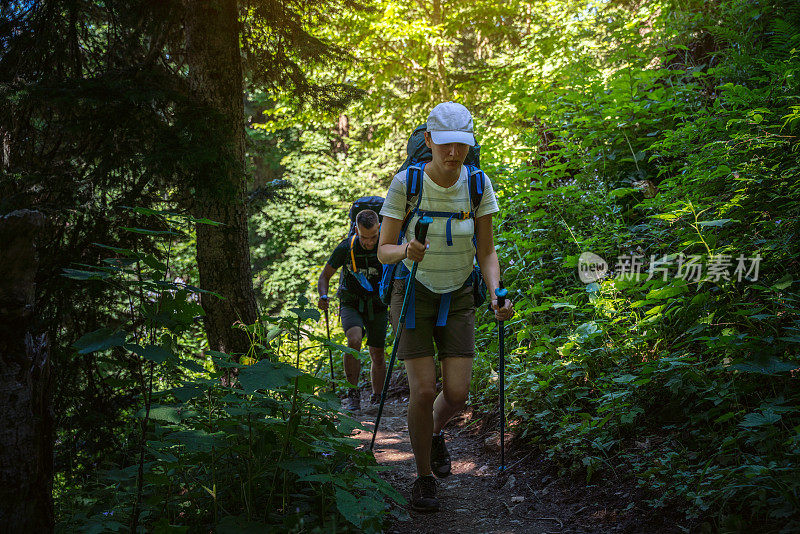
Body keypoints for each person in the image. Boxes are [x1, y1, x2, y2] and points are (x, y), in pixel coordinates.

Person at [378, 102, 513, 512]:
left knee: (456, 393)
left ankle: (433, 434)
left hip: (458, 294)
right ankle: (423, 479)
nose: (454, 153)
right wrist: (407, 249)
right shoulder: (407, 183)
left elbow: (486, 251)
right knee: (422, 391)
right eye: (446, 144)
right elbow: (384, 250)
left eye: (462, 145)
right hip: (414, 292)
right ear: (430, 141)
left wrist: (496, 291)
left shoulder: (477, 184)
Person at [318, 209, 387, 413]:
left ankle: (377, 396)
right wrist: (323, 296)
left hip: (378, 304)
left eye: (374, 236)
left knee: (378, 353)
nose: (369, 242)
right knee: (354, 340)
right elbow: (325, 276)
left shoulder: (386, 245)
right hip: (351, 302)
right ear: (356, 230)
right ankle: (353, 394)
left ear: (379, 228)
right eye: (365, 237)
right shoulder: (345, 248)